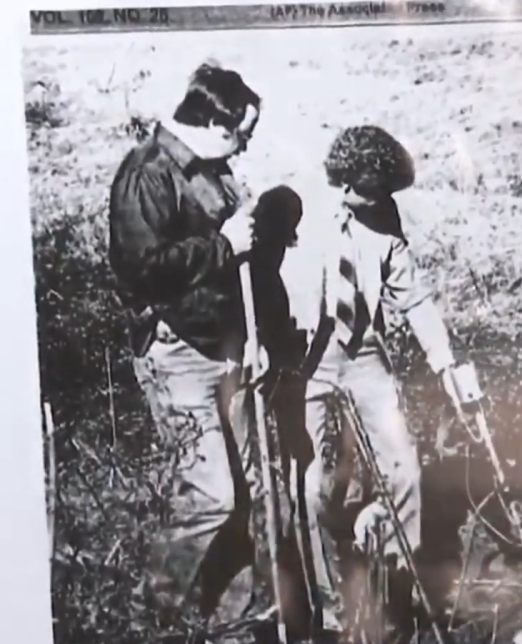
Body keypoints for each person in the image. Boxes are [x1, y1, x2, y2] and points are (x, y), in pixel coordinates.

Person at [107, 61, 293, 641]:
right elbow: (139, 272)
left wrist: (255, 339)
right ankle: (149, 617)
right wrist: (221, 245)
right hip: (177, 354)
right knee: (210, 495)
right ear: (216, 122)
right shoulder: (147, 175)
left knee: (243, 489)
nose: (246, 146)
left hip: (228, 349)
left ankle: (230, 621)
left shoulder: (214, 168)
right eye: (244, 133)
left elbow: (242, 262)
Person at [287, 125, 465, 642]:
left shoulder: (383, 219)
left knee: (404, 468)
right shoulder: (299, 205)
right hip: (303, 358)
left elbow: (413, 299)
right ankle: (333, 606)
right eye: (375, 193)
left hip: (361, 350)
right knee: (311, 485)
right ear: (346, 184)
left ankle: (395, 581)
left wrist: (445, 362)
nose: (383, 204)